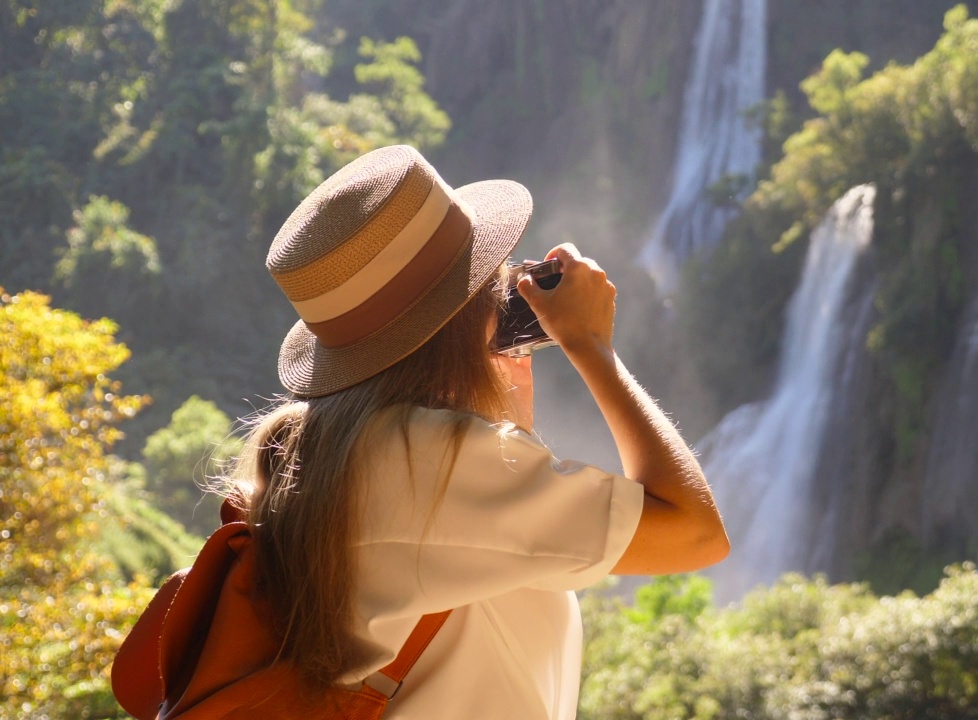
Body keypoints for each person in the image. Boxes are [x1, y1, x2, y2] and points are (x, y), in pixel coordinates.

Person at [218, 144, 729, 719]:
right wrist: (592, 348)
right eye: (492, 280)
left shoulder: (317, 450)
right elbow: (694, 532)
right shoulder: (432, 460)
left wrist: (500, 423)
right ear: (460, 318)